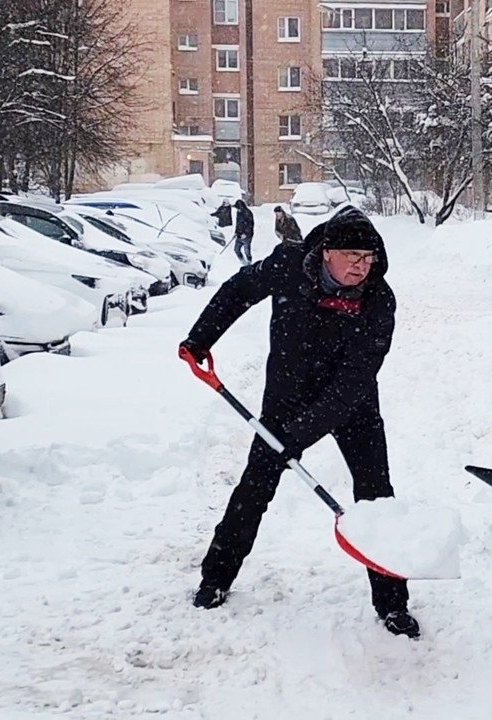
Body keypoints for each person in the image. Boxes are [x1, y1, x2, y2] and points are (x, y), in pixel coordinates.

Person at [178, 206, 420, 638]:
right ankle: (215, 579)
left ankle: (392, 604)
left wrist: (297, 436)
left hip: (352, 405)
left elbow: (353, 381)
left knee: (376, 496)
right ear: (326, 252)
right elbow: (239, 290)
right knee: (254, 489)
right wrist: (200, 339)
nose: (361, 267)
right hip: (286, 396)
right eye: (351, 256)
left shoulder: (379, 300)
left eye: (368, 258)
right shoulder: (289, 264)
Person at [233, 199, 254, 265]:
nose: (237, 209)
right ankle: (243, 263)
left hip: (247, 235)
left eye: (238, 208)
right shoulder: (238, 213)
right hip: (239, 234)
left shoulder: (247, 213)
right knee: (236, 249)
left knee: (247, 250)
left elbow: (250, 224)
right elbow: (238, 224)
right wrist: (236, 232)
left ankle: (249, 262)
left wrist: (246, 233)